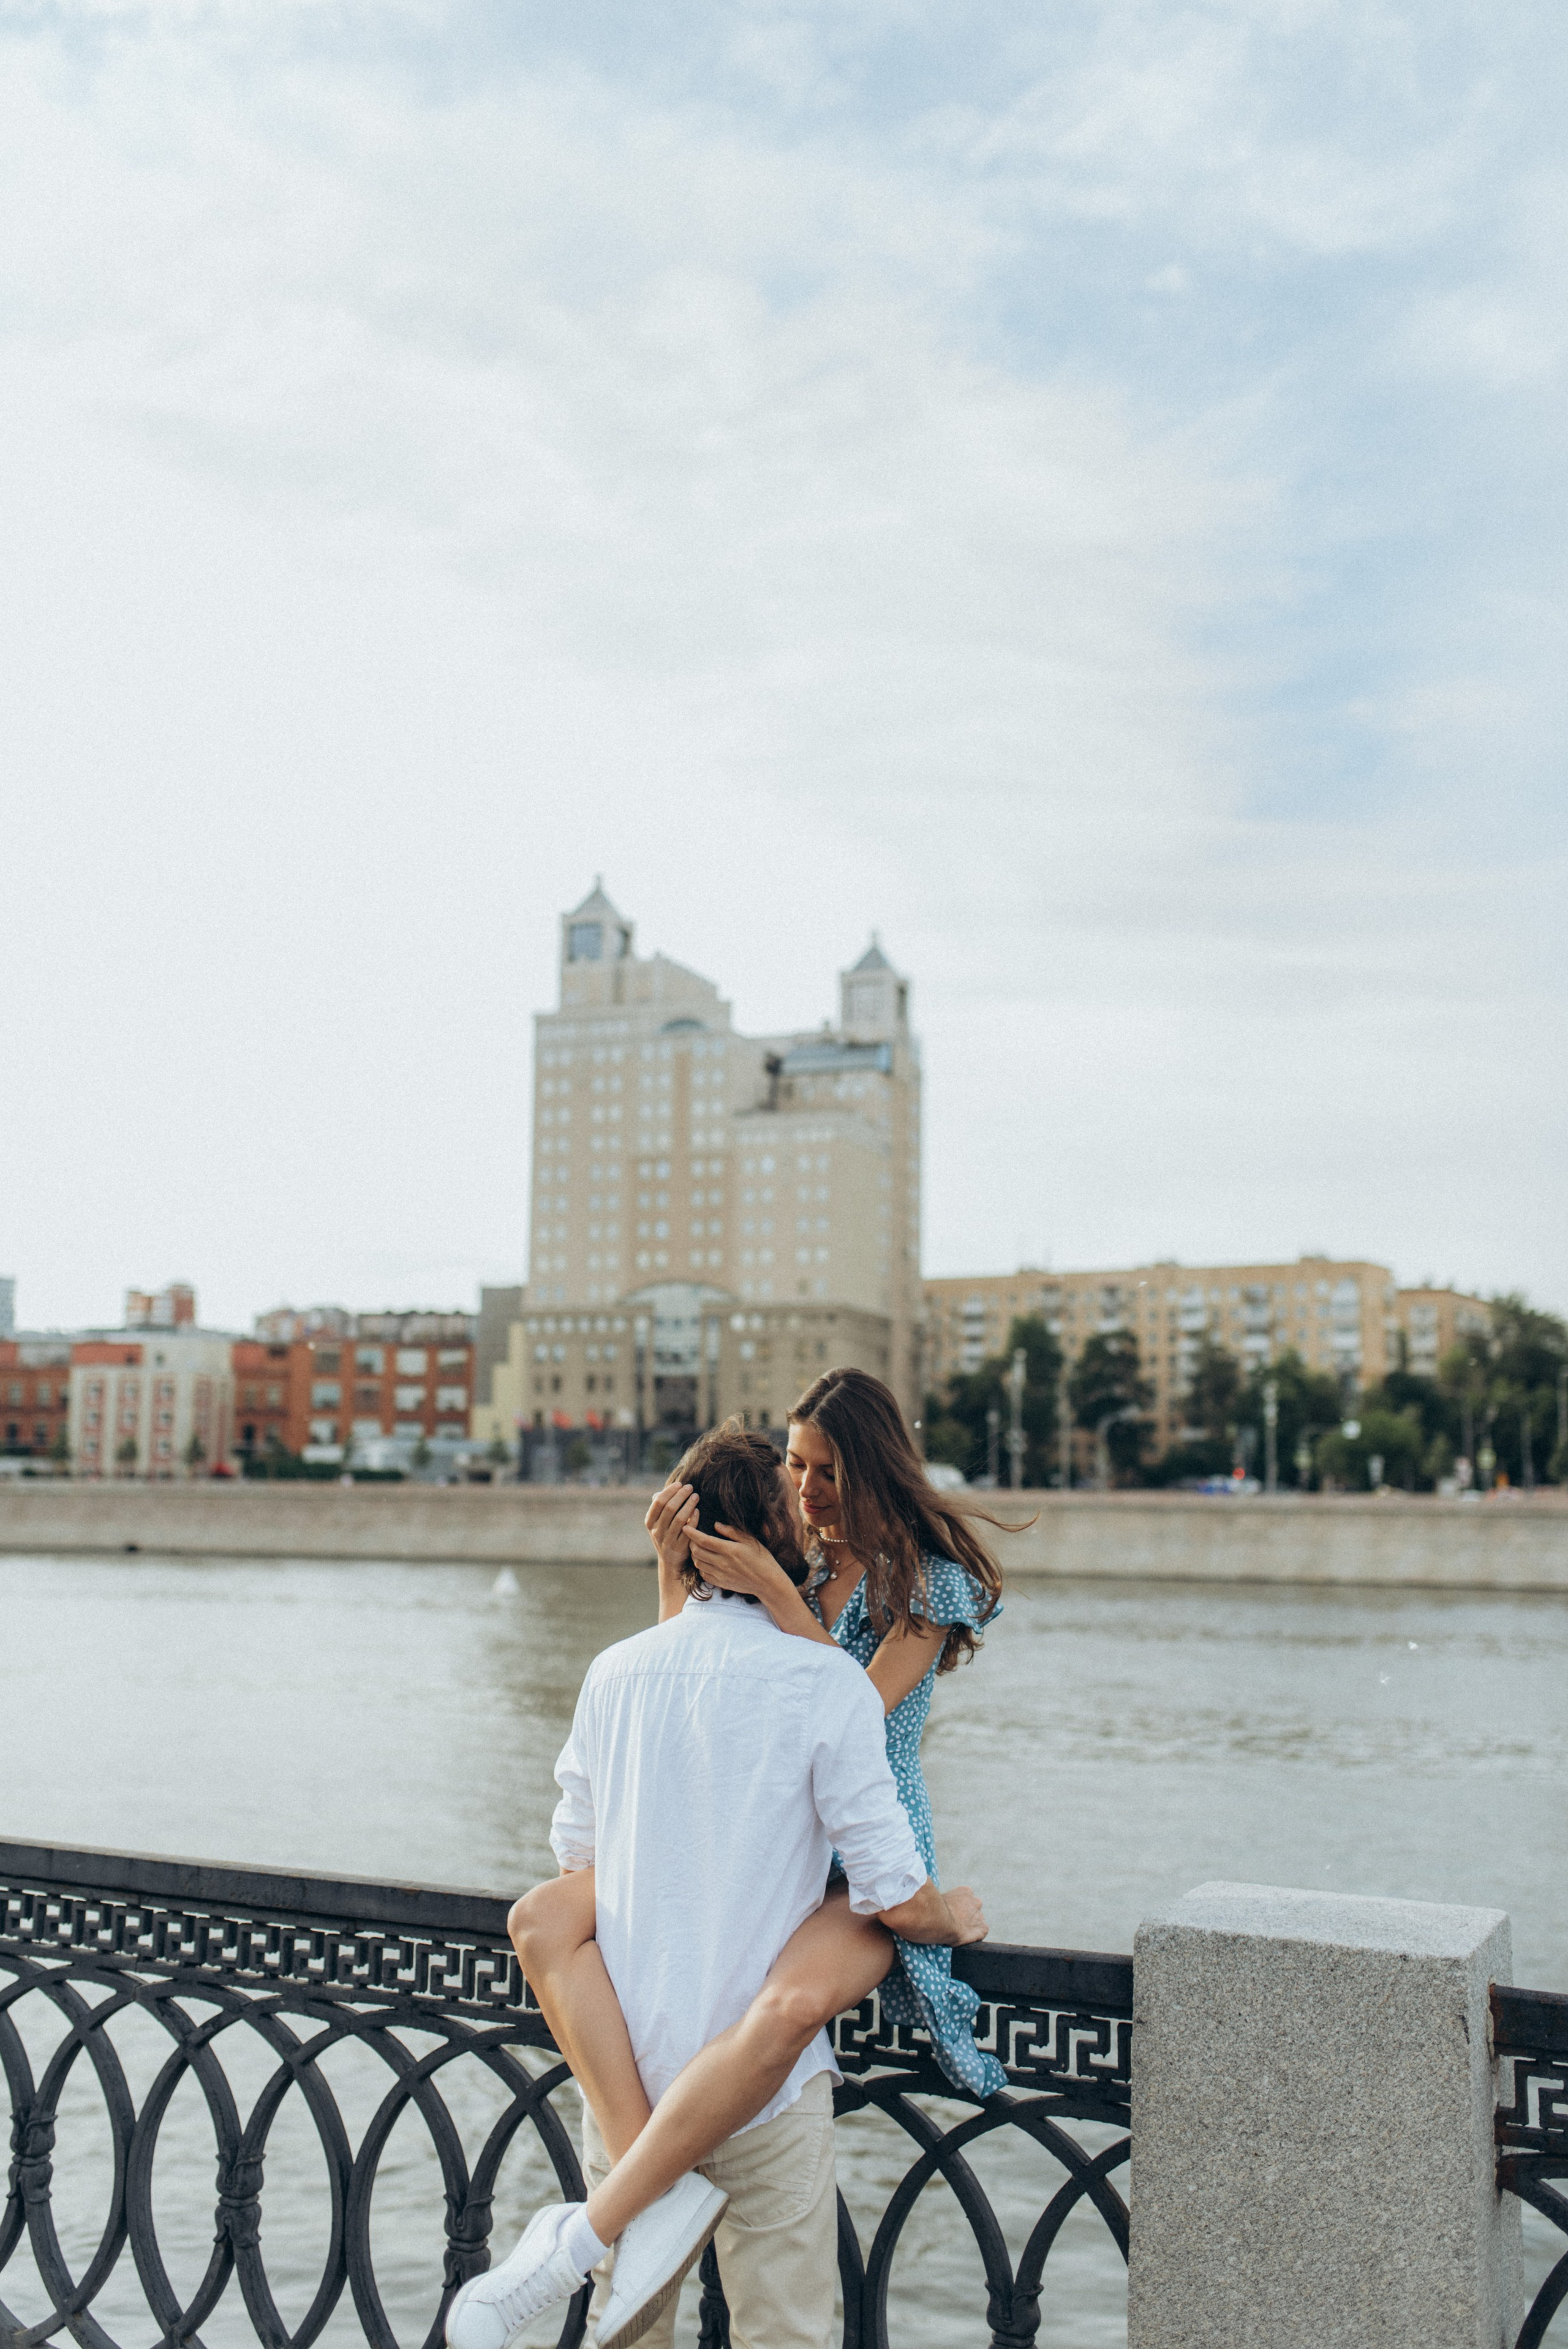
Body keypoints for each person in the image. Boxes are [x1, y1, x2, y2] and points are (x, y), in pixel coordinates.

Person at [444, 1419, 987, 2349]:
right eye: (794, 1494)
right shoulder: (826, 1683)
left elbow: (578, 1857)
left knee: (628, 2336)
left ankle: (615, 2218)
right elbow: (894, 1891)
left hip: (631, 2073)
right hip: (763, 2089)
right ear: (775, 1540)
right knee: (784, 2334)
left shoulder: (614, 1672)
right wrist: (956, 1917)